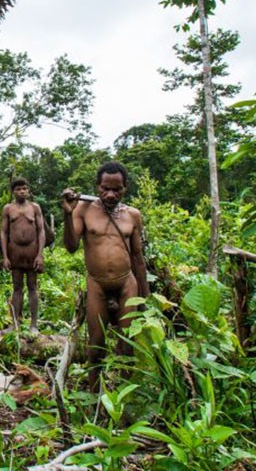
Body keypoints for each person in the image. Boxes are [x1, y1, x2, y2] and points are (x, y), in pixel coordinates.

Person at [62, 161, 150, 391]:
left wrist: (145, 299)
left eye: (117, 189)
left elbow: (138, 259)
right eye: (105, 189)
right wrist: (67, 214)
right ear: (97, 186)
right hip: (97, 284)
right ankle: (94, 396)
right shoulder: (83, 209)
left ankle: (125, 395)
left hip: (126, 284)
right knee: (96, 345)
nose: (110, 194)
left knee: (127, 343)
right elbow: (71, 246)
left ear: (125, 188)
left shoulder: (132, 215)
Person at [0, 178, 46, 332]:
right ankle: (15, 323)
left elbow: (41, 231)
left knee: (33, 287)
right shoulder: (8, 209)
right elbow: (4, 232)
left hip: (32, 253)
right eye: (18, 189)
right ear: (13, 191)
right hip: (15, 253)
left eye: (25, 189)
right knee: (17, 287)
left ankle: (34, 325)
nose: (22, 191)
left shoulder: (35, 207)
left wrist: (40, 254)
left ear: (28, 190)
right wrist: (5, 256)